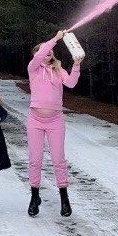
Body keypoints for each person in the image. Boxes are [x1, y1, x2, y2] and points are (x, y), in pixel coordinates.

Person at [26, 29, 82, 217]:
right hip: (35, 120)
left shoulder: (59, 71)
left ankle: (64, 198)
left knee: (59, 160)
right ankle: (34, 197)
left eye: (49, 49)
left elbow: (72, 83)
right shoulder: (33, 68)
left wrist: (76, 65)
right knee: (35, 160)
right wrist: (55, 39)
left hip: (55, 120)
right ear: (37, 54)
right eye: (42, 50)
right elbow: (41, 52)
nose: (46, 51)